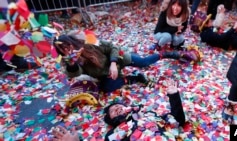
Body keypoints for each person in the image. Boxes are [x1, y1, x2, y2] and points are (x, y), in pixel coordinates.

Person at [53, 31, 198, 93]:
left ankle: (166, 54)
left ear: (71, 41)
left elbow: (112, 47)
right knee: (106, 88)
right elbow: (74, 73)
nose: (67, 49)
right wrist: (72, 62)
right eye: (63, 49)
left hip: (118, 59)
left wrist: (114, 63)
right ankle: (134, 78)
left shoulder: (89, 43)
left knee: (143, 62)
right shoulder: (69, 61)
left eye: (67, 45)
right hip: (106, 74)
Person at [51, 78, 186, 141]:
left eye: (118, 106)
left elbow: (178, 120)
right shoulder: (112, 136)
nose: (117, 109)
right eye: (113, 110)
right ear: (111, 121)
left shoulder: (150, 115)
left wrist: (174, 95)